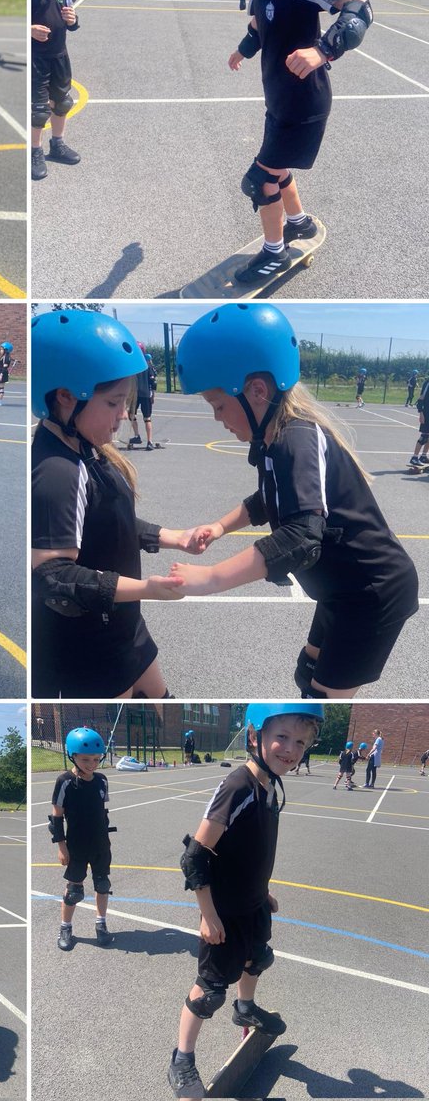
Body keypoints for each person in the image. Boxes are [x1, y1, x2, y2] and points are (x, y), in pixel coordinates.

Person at [172, 304, 419, 698]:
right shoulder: (272, 440)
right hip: (342, 590)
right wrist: (220, 526)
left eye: (218, 405)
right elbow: (269, 498)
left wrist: (210, 578)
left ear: (256, 390)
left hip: (371, 594)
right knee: (308, 673)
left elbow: (302, 535)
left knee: (319, 698)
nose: (218, 418)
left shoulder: (296, 438)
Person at [31, 309, 211, 700]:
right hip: (92, 646)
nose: (123, 415)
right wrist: (147, 587)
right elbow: (53, 576)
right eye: (113, 403)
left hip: (124, 626)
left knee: (164, 706)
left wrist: (174, 537)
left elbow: (108, 518)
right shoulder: (57, 472)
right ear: (66, 397)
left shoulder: (85, 448)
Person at [205, 0, 373, 285]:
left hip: (303, 103)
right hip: (282, 101)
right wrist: (242, 50)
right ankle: (296, 224)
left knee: (259, 178)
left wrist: (324, 49)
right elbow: (257, 26)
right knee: (276, 170)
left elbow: (360, 7)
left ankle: (274, 254)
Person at [168, 702, 323, 1100]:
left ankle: (246, 1008)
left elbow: (249, 850)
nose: (290, 749)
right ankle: (181, 1059)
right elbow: (195, 856)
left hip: (253, 902)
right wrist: (207, 915)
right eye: (282, 737)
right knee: (209, 991)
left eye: (300, 742)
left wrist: (262, 890)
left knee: (258, 958)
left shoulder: (271, 785)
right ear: (255, 736)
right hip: (223, 911)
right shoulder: (239, 786)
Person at [50, 727, 116, 951]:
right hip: (76, 846)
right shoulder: (65, 782)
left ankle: (101, 924)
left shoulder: (102, 781)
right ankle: (66, 927)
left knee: (103, 885)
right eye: (86, 759)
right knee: (74, 891)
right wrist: (61, 847)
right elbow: (56, 818)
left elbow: (101, 812)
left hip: (100, 844)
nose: (92, 764)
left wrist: (105, 840)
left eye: (97, 759)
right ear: (73, 756)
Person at [31, 0, 80, 182]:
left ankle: (57, 143)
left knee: (61, 103)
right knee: (39, 109)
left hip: (59, 55)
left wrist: (72, 20)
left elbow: (72, 22)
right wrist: (28, 30)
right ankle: (34, 151)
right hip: (36, 59)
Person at [407, 381, 429, 468]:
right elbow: (421, 398)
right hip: (426, 413)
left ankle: (423, 456)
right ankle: (414, 457)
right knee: (424, 436)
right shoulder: (427, 383)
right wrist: (421, 412)